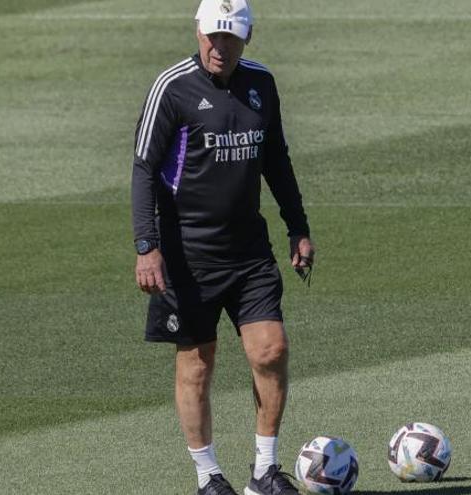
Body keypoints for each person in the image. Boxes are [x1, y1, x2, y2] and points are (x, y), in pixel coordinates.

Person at [130, 0, 313, 493]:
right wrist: (147, 245)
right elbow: (144, 167)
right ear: (197, 32)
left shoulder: (261, 84)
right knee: (197, 362)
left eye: (230, 36)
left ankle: (264, 471)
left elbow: (276, 158)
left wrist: (297, 226)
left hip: (248, 251)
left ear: (247, 37)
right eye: (212, 34)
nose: (219, 45)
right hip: (186, 254)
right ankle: (208, 476)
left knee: (271, 350)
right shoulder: (172, 88)